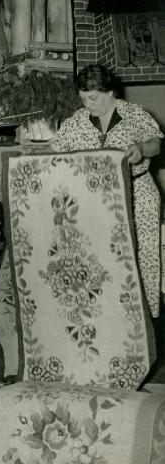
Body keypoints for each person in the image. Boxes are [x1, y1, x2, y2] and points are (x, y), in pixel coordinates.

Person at [51, 64, 163, 318]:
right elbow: (54, 150)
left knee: (139, 262)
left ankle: (143, 324)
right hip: (96, 203)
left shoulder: (135, 115)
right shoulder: (77, 122)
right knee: (101, 262)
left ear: (110, 92)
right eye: (83, 99)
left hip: (138, 197)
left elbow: (155, 143)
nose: (88, 104)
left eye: (93, 98)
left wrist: (141, 149)